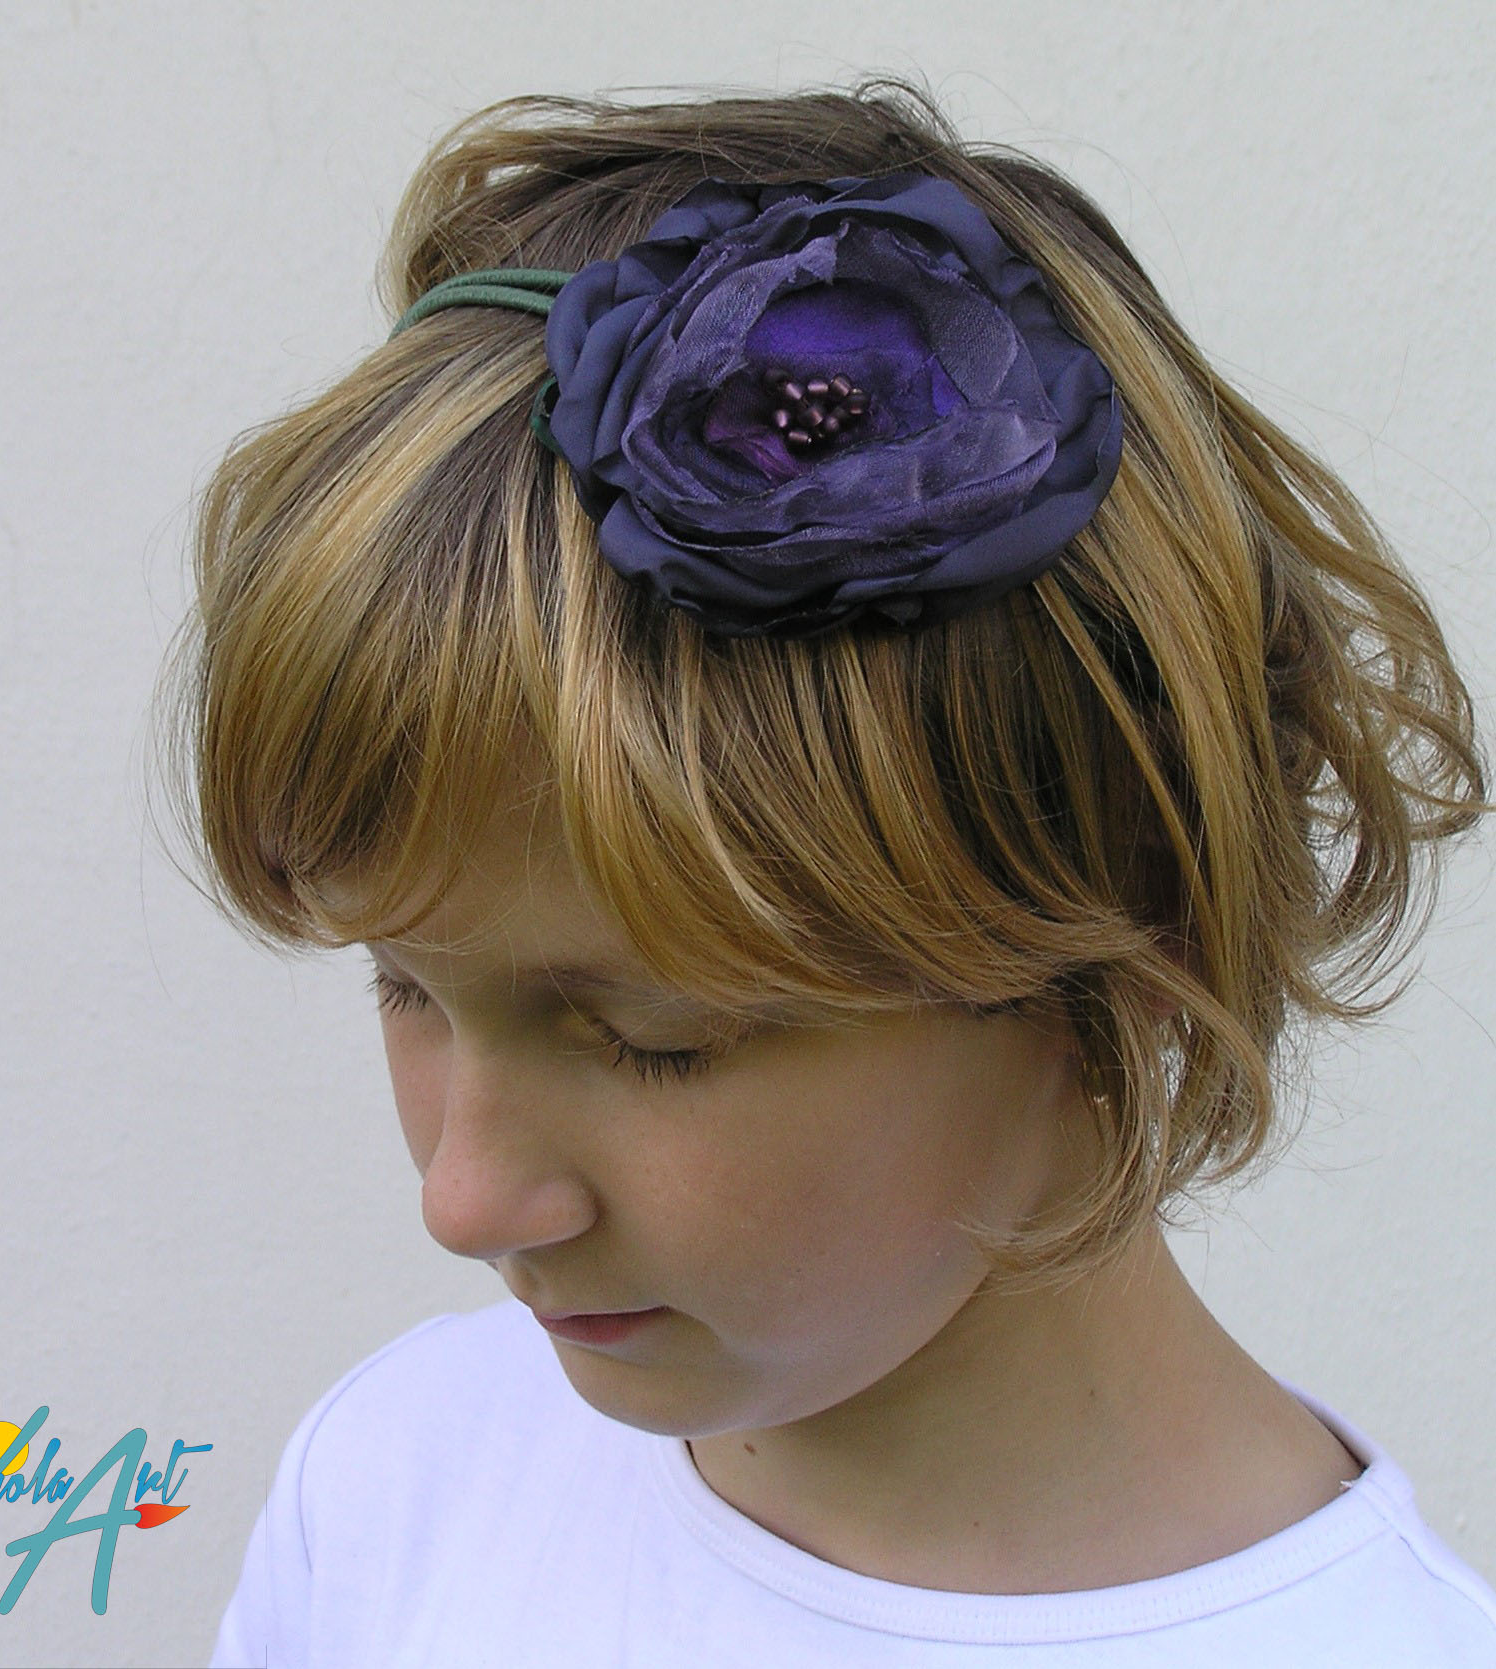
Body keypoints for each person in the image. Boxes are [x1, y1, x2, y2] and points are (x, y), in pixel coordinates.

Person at [156, 74, 1496, 1666]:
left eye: (655, 1037)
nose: (465, 1197)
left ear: (1132, 913)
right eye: (403, 987)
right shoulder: (397, 1490)